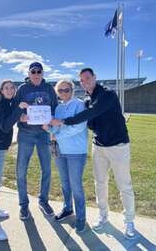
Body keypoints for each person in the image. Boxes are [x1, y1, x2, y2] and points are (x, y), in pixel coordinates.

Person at [51, 68, 136, 239]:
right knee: (100, 183)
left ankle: (129, 221)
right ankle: (103, 216)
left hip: (118, 145)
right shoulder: (87, 100)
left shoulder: (107, 94)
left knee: (124, 185)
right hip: (99, 146)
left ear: (95, 78)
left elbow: (91, 113)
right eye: (82, 80)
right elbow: (90, 123)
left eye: (87, 78)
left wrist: (63, 121)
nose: (85, 82)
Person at [43, 80, 88, 233]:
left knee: (76, 185)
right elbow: (55, 130)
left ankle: (81, 218)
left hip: (76, 152)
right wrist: (48, 128)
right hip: (60, 151)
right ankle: (67, 208)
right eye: (60, 91)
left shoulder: (79, 104)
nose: (63, 93)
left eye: (66, 90)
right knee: (64, 182)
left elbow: (78, 127)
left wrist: (58, 133)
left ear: (72, 90)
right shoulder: (59, 108)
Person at [15, 62, 58, 220]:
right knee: (21, 171)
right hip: (25, 133)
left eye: (39, 71)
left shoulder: (49, 89)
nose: (36, 74)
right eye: (33, 71)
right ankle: (23, 204)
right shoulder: (22, 89)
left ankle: (43, 200)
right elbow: (15, 108)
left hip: (43, 134)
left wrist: (51, 119)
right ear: (29, 73)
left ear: (42, 73)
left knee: (46, 169)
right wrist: (21, 116)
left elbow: (54, 108)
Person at [0, 80, 28, 240]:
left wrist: (20, 115)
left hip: (0, 148)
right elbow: (4, 126)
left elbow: (12, 119)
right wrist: (18, 110)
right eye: (6, 88)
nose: (10, 90)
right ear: (1, 91)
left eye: (12, 88)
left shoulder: (10, 104)